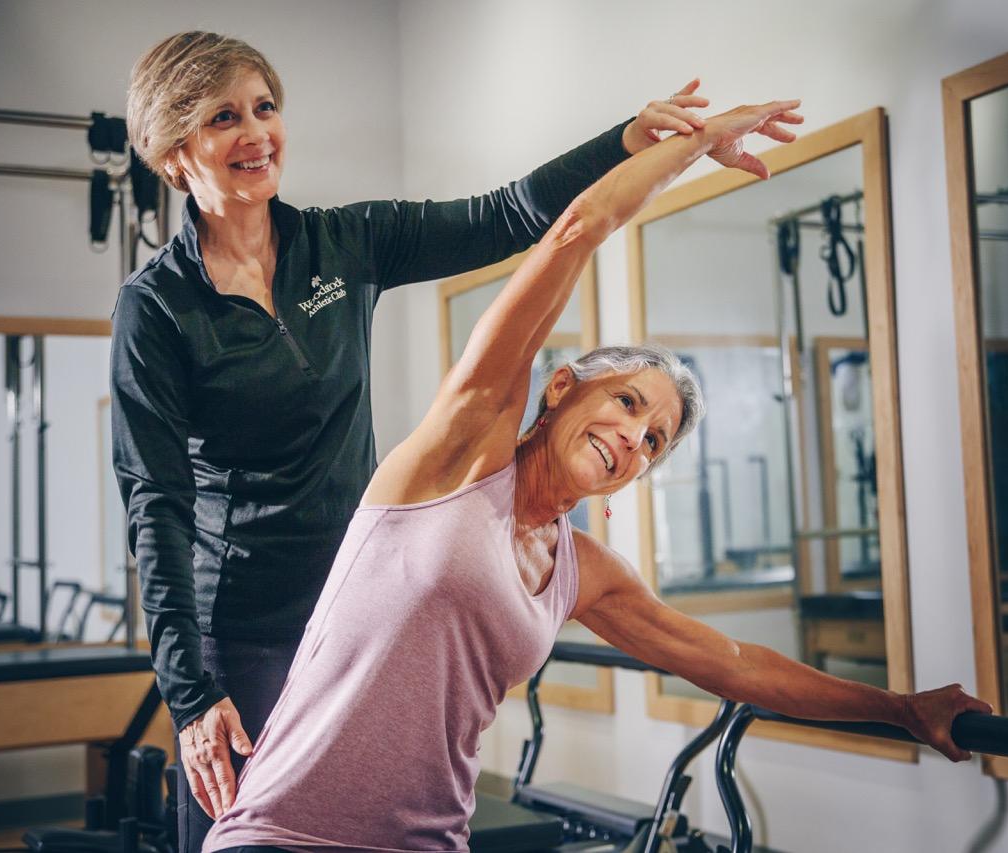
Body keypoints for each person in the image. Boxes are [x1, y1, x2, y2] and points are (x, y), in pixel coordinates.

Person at [202, 97, 991, 853]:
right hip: (284, 830)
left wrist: (900, 709)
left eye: (654, 439)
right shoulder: (457, 456)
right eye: (626, 401)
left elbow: (735, 664)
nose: (633, 437)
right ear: (559, 389)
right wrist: (693, 144)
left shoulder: (586, 575)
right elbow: (573, 231)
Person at [112, 30, 721, 853]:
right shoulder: (156, 307)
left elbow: (507, 214)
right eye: (226, 117)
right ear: (175, 149)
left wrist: (623, 141)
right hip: (246, 624)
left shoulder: (342, 243)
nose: (258, 134)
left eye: (266, 107)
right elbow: (157, 502)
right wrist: (189, 695)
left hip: (361, 612)